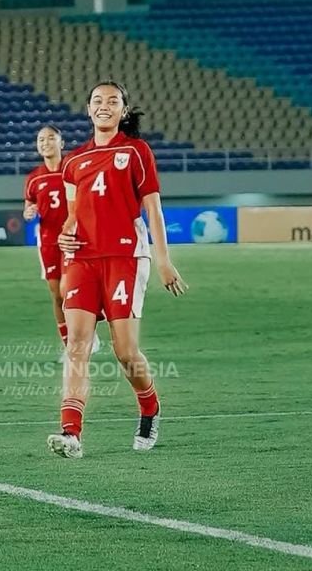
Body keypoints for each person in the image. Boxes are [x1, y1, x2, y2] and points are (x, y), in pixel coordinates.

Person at [47, 81, 187, 459]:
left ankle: (149, 406)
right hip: (82, 261)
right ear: (88, 109)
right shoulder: (74, 162)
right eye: (97, 100)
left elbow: (153, 208)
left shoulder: (137, 151)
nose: (104, 106)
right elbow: (73, 217)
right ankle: (71, 432)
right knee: (76, 346)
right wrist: (65, 236)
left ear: (123, 111)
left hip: (125, 257)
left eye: (112, 101)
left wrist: (163, 259)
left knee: (126, 352)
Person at [23, 125, 101, 358]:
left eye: (50, 138)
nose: (45, 143)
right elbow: (29, 204)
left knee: (70, 289)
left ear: (61, 143)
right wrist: (29, 211)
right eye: (41, 140)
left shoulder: (73, 169)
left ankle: (86, 335)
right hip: (47, 242)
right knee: (57, 294)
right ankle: (69, 344)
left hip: (73, 239)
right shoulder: (34, 178)